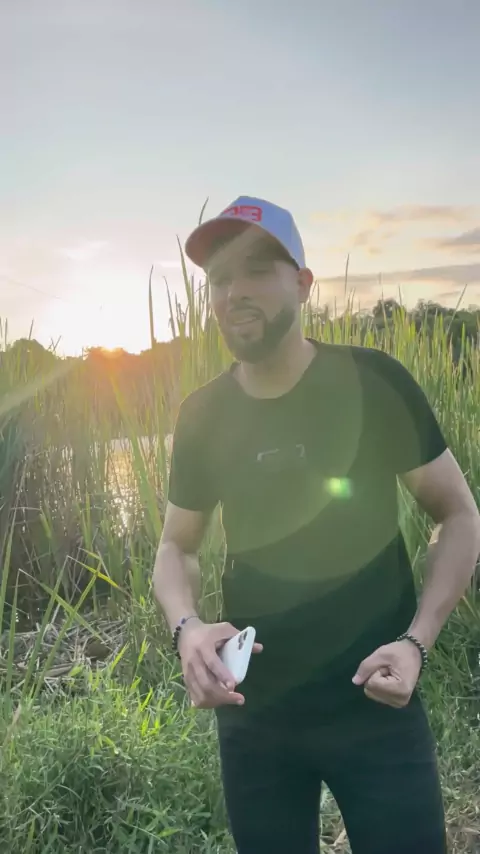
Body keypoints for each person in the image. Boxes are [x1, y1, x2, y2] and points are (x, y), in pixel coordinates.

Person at [153, 196, 480, 854]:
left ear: (303, 284)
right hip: (256, 717)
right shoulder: (203, 415)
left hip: (376, 702)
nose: (234, 293)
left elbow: (458, 514)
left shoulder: (374, 381)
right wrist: (187, 629)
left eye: (256, 271)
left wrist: (416, 643)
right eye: (219, 278)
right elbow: (175, 547)